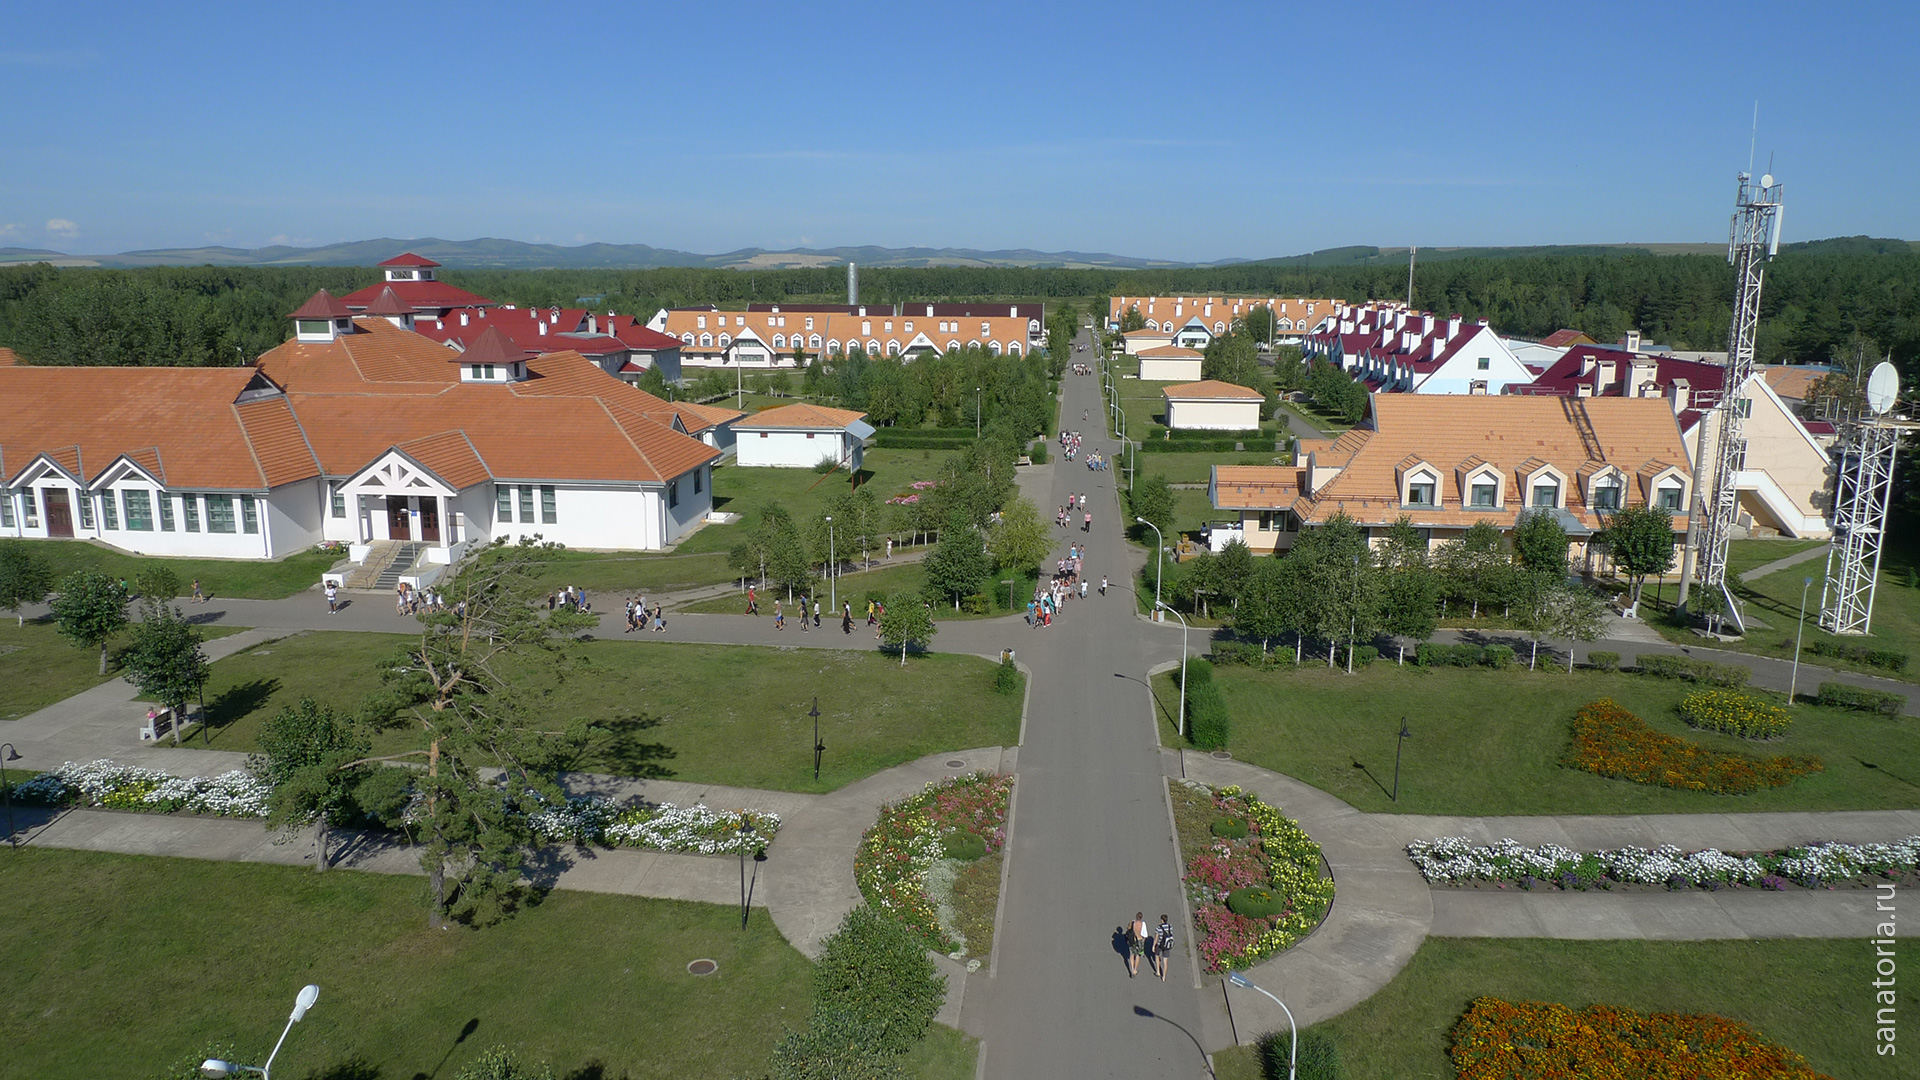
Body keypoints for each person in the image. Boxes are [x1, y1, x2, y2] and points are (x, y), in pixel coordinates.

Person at [1128, 912, 1148, 977]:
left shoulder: (1133, 923)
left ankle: (1132, 969)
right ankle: (1135, 969)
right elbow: (1145, 935)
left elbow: (1128, 929)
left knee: (1132, 955)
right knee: (1138, 955)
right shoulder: (1143, 924)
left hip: (1133, 941)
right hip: (1140, 940)